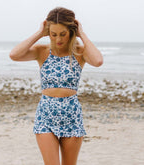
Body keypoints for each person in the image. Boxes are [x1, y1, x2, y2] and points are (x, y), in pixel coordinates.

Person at [10, 7, 103, 165]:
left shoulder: (79, 52)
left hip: (72, 115)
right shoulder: (42, 52)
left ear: (71, 32)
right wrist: (40, 33)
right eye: (53, 34)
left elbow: (98, 61)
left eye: (63, 34)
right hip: (46, 114)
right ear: (49, 32)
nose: (58, 39)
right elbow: (14, 55)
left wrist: (82, 34)